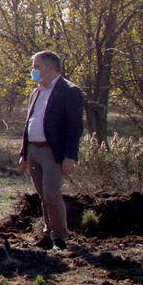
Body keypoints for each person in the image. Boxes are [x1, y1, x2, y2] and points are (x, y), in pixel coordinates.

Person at [20, 50, 84, 250]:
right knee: (42, 195)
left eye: (37, 67)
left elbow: (75, 127)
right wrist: (24, 153)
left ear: (50, 68)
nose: (34, 71)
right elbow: (29, 123)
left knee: (52, 194)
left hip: (52, 152)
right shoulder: (37, 91)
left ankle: (61, 236)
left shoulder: (69, 91)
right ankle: (49, 232)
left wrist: (70, 157)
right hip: (34, 150)